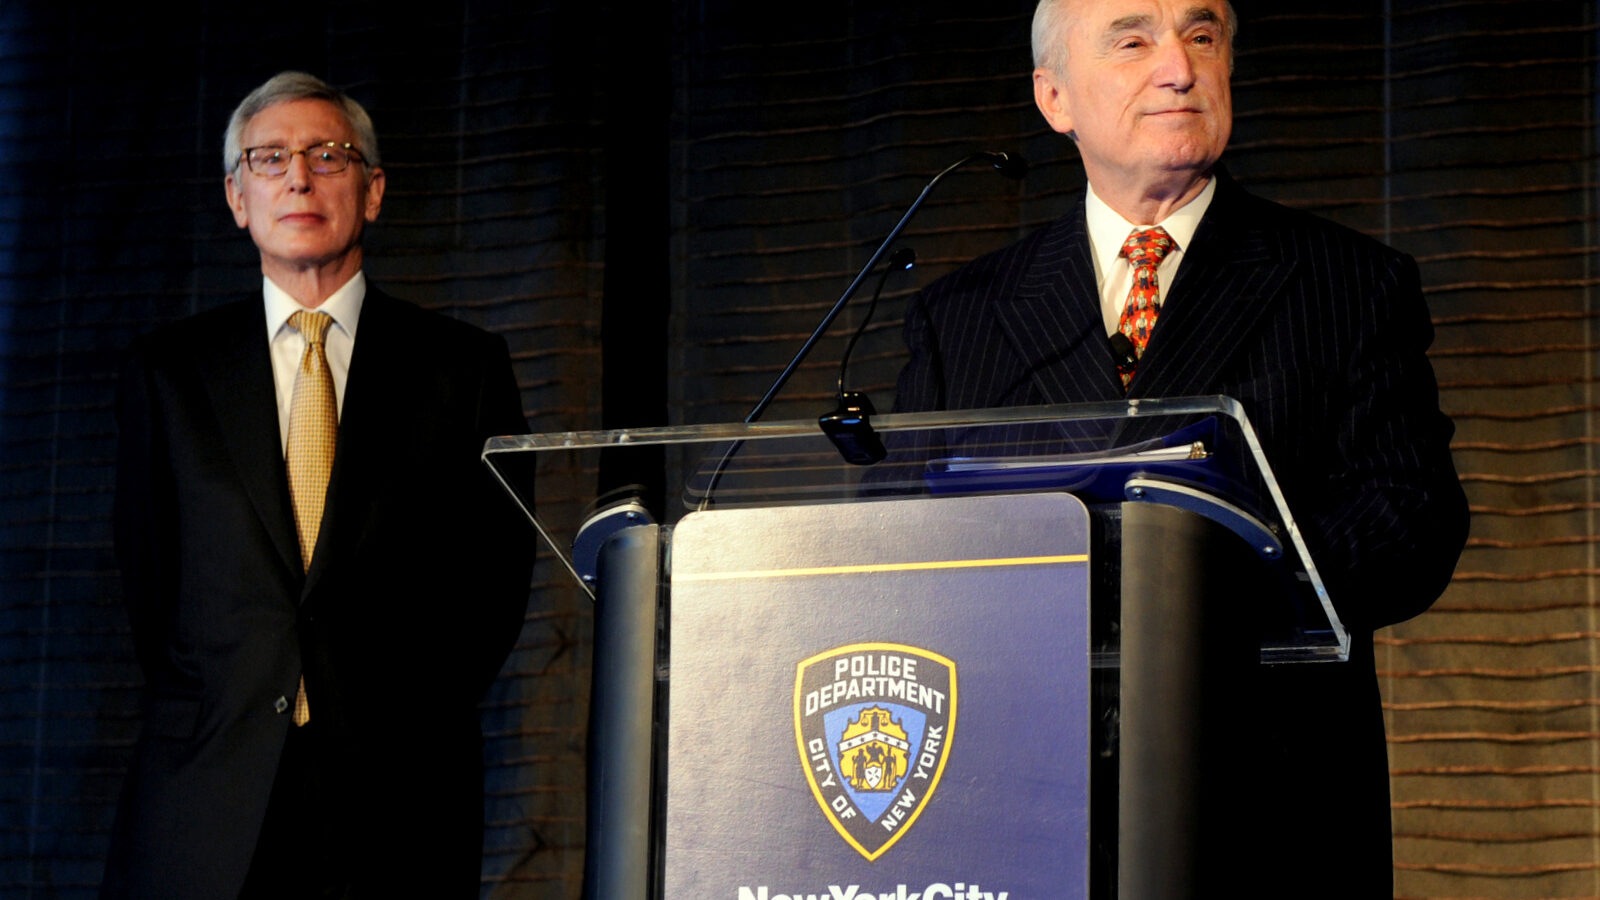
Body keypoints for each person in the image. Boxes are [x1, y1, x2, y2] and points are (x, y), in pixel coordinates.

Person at [888, 2, 1469, 895]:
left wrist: (1210, 590)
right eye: (1134, 40)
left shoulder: (1348, 283)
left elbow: (1409, 518)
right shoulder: (958, 317)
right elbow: (897, 560)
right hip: (1017, 806)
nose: (1179, 67)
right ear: (1055, 98)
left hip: (1269, 809)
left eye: (1203, 37)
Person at [102, 72, 534, 899]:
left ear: (371, 192)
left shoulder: (463, 369)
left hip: (398, 792)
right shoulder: (169, 373)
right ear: (237, 197)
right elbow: (153, 589)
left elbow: (493, 589)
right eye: (270, 159)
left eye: (326, 155)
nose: (297, 176)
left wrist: (398, 710)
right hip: (209, 790)